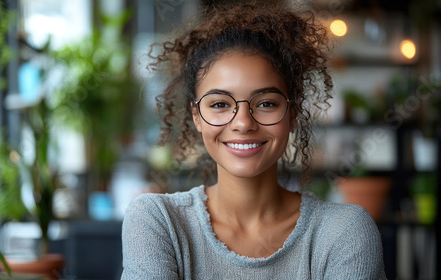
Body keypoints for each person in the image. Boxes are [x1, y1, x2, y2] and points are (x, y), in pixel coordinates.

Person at [121, 1, 387, 279]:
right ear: (196, 116)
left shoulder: (344, 231)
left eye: (266, 103)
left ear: (292, 113)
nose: (243, 123)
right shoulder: (158, 220)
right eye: (220, 104)